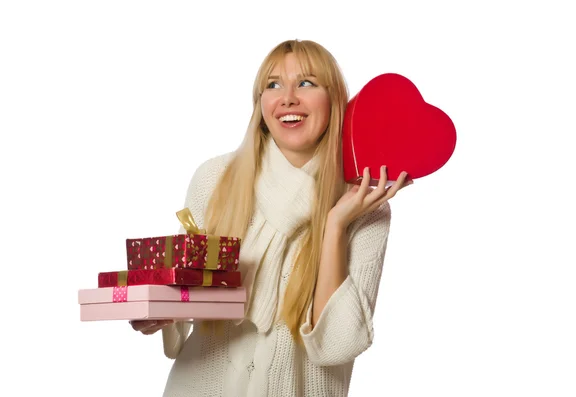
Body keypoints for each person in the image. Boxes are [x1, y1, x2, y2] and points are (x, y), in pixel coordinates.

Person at [130, 39, 412, 397]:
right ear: (260, 103)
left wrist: (335, 226)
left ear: (335, 100)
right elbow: (189, 293)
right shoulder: (215, 178)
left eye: (307, 83)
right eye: (273, 84)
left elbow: (335, 346)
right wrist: (159, 311)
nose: (288, 97)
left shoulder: (365, 205)